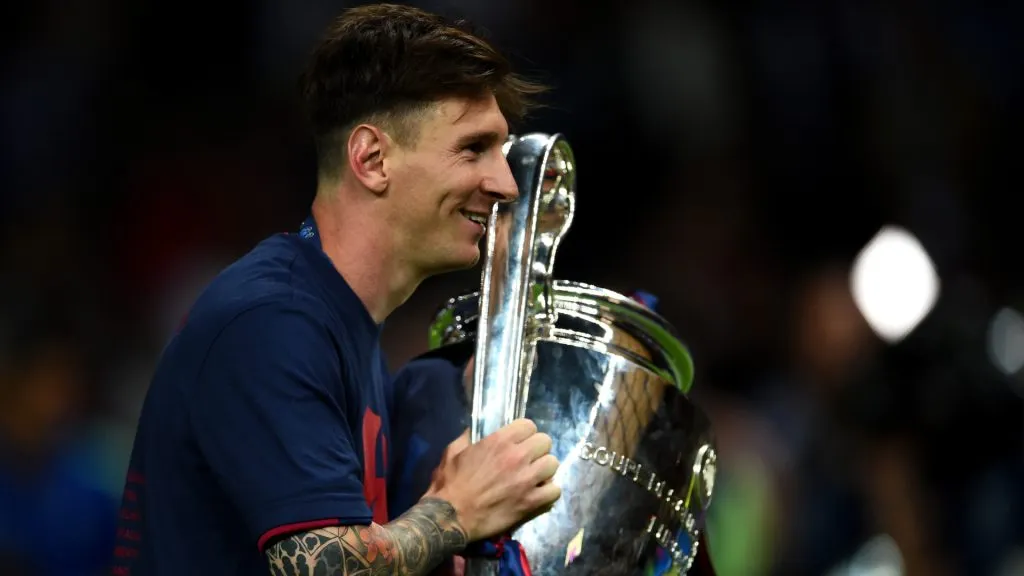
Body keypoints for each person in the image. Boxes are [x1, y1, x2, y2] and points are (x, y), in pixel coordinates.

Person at [110, 4, 560, 575]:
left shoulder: (341, 325)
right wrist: (459, 510)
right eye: (474, 149)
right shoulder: (273, 320)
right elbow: (324, 565)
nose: (505, 185)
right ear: (371, 160)